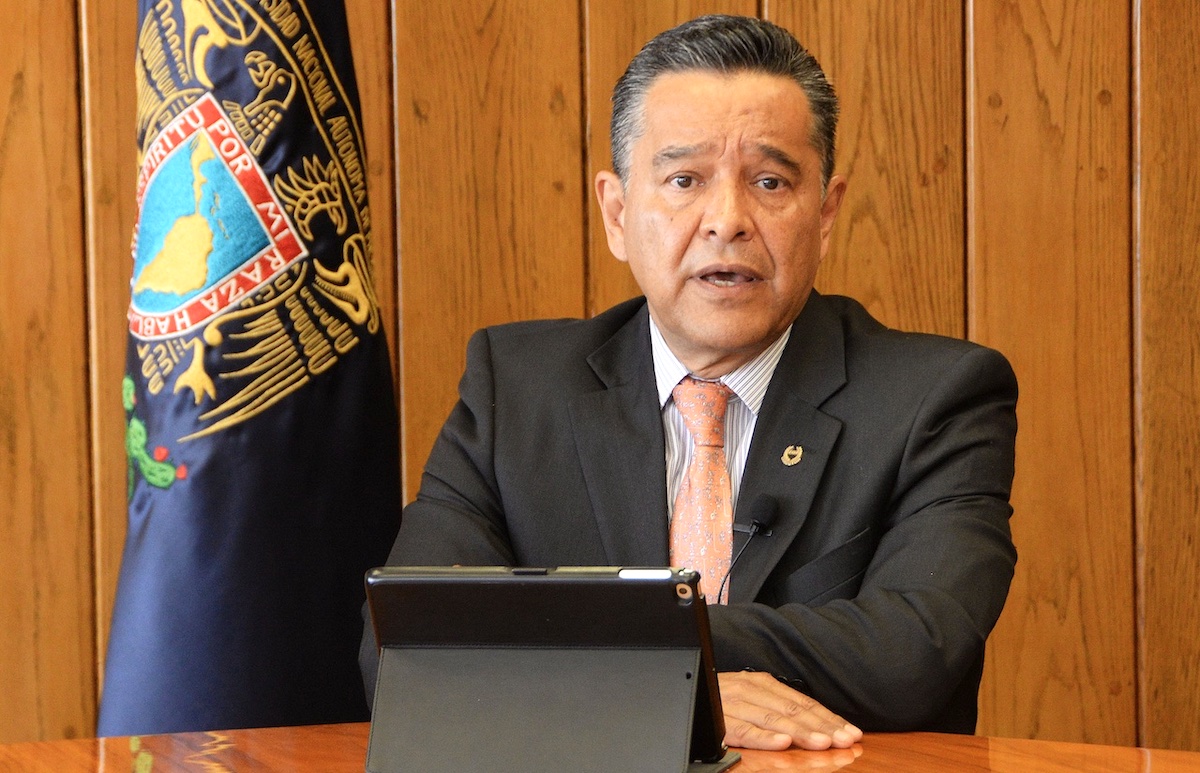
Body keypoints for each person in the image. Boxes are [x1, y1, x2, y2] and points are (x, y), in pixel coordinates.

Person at [361, 14, 1017, 752]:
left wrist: (636, 659)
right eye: (684, 180)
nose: (727, 221)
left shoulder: (938, 398)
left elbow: (915, 650)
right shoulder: (515, 389)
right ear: (617, 214)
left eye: (769, 182)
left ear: (826, 214)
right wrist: (671, 689)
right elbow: (406, 649)